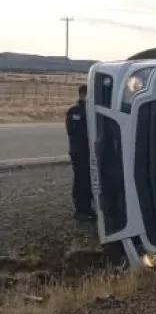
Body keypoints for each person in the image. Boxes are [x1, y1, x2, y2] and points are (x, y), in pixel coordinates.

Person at [66, 84, 95, 221]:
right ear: (83, 94)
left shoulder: (91, 111)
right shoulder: (75, 111)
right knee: (81, 180)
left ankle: (89, 208)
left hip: (91, 152)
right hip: (80, 152)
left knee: (90, 180)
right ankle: (81, 211)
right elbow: (75, 132)